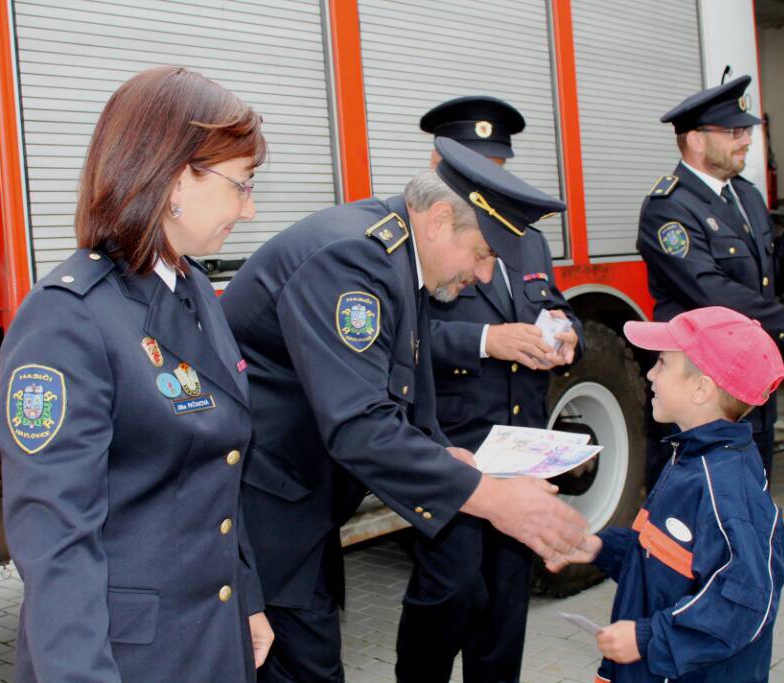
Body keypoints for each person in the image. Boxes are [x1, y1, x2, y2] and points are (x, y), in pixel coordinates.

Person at [221, 136, 587, 682]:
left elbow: (405, 398)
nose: (485, 276)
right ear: (440, 219)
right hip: (264, 515)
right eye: (483, 254)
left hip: (299, 500)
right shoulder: (352, 260)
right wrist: (493, 500)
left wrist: (451, 457)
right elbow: (359, 425)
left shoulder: (399, 259)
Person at [0, 66, 273, 682]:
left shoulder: (193, 288)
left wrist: (245, 600)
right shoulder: (68, 318)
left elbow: (219, 471)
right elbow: (57, 544)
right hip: (128, 660)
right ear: (177, 179)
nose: (250, 210)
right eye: (241, 185)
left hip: (210, 638)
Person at [421, 95, 584, 683]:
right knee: (450, 593)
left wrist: (566, 334)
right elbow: (402, 345)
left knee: (507, 601)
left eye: (498, 166)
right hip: (456, 448)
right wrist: (486, 340)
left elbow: (558, 309)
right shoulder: (421, 240)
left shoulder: (525, 238)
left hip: (523, 449)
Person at [564, 306, 784, 682]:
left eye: (663, 364)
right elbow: (668, 565)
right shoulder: (689, 459)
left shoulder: (727, 488)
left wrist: (650, 638)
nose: (649, 374)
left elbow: (745, 604)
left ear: (702, 389)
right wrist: (602, 549)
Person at [638, 74, 784, 486]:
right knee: (694, 516)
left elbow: (769, 278)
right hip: (699, 395)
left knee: (749, 503)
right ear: (695, 140)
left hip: (749, 390)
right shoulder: (668, 209)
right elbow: (711, 293)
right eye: (733, 131)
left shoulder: (744, 195)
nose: (745, 140)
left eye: (745, 130)